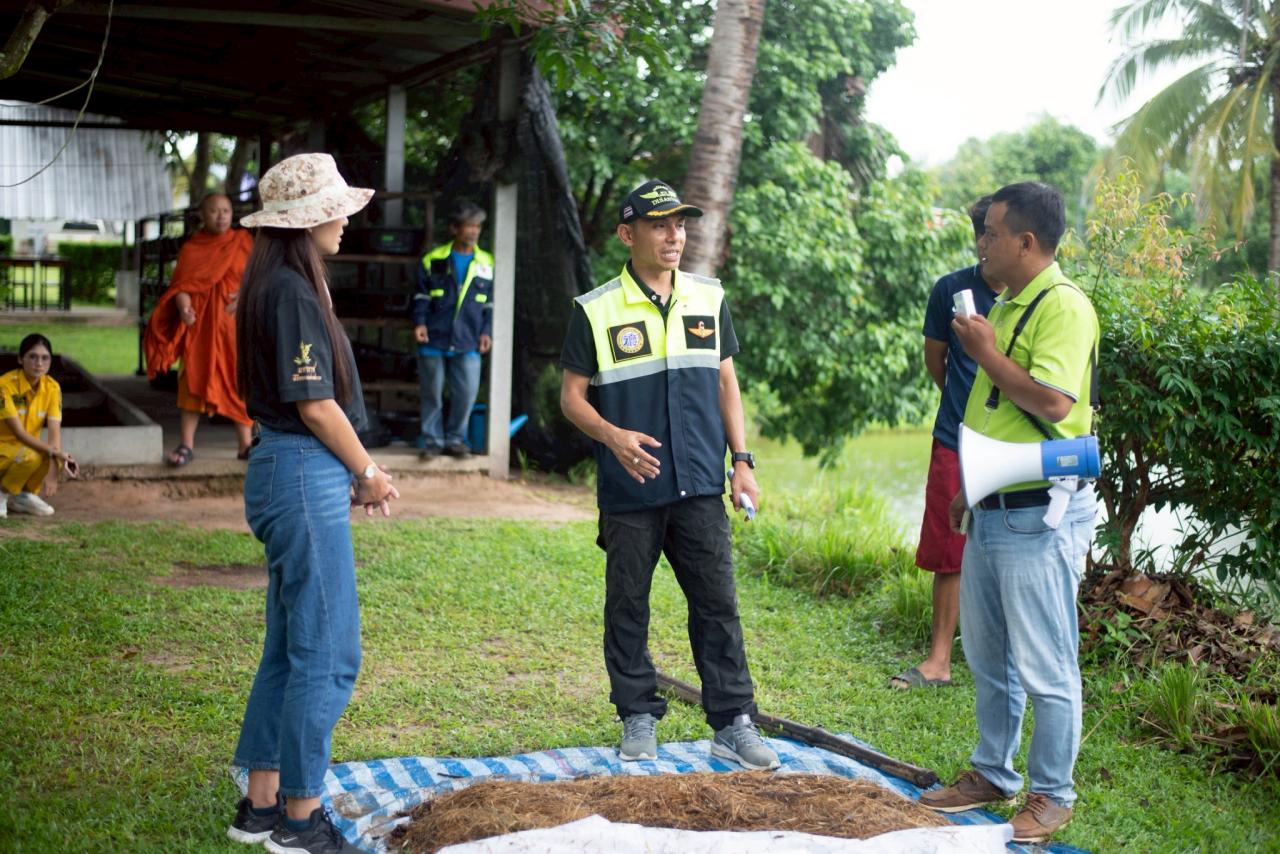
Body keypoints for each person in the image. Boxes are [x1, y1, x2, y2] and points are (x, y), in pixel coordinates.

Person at [559, 179, 779, 772]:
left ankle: (733, 722)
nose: (674, 235)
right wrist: (613, 436)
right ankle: (636, 714)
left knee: (717, 604)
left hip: (701, 483)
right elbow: (571, 398)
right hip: (631, 489)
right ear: (627, 234)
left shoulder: (708, 297)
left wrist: (742, 462)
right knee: (628, 605)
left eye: (680, 224)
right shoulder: (595, 309)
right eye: (660, 225)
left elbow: (726, 382)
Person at [226, 153, 398, 854]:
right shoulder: (293, 292)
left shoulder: (275, 283)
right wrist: (368, 471)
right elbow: (315, 404)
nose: (346, 220)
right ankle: (300, 821)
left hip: (286, 469)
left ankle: (260, 805)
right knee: (328, 650)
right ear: (305, 221)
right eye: (337, 208)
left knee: (291, 647)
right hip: (301, 470)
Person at [919, 182, 1099, 845]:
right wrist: (970, 486)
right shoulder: (1007, 304)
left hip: (1039, 512)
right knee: (990, 655)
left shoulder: (1063, 305)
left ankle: (1053, 795)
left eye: (991, 234)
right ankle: (993, 773)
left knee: (1047, 665)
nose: (982, 245)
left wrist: (986, 353)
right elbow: (990, 411)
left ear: (1026, 242)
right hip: (993, 505)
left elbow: (1053, 403)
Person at [891, 196, 1005, 690]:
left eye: (993, 234)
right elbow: (935, 360)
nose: (985, 244)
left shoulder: (1034, 298)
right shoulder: (951, 290)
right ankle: (938, 660)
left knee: (1010, 548)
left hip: (1013, 444)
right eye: (982, 234)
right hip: (955, 437)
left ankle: (1001, 661)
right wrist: (964, 405)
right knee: (949, 548)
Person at [144, 193, 255, 466]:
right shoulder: (193, 248)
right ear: (202, 216)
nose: (221, 216)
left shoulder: (243, 242)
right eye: (214, 211)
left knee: (238, 381)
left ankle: (245, 445)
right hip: (199, 327)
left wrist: (244, 296)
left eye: (226, 210)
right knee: (192, 380)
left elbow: (257, 279)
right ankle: (187, 445)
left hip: (232, 328)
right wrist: (184, 309)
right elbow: (181, 287)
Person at [411, 200, 494, 459]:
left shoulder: (487, 262)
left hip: (469, 338)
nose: (474, 231)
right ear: (454, 229)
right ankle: (433, 442)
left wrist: (487, 331)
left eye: (477, 226)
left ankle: (456, 440)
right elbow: (421, 296)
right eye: (469, 226)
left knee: (466, 394)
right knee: (431, 394)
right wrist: (420, 322)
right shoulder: (433, 259)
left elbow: (490, 304)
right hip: (434, 335)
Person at [0, 333, 77, 517]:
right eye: (32, 357)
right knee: (35, 455)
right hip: (5, 449)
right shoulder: (4, 385)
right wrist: (56, 453)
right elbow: (19, 433)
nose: (39, 363)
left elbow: (54, 434)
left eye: (45, 358)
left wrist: (54, 471)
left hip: (25, 450)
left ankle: (21, 496)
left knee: (53, 455)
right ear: (20, 359)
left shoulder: (52, 388)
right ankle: (2, 493)